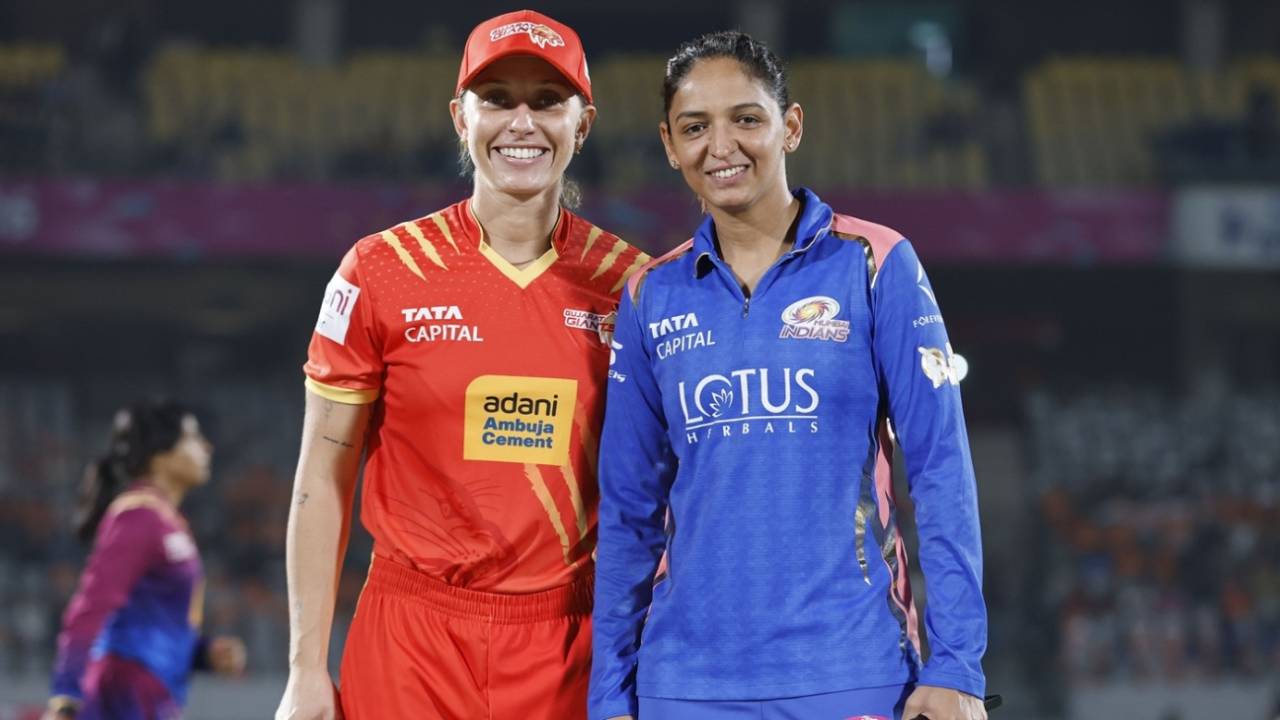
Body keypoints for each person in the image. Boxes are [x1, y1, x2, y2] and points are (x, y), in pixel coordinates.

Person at [590, 31, 987, 720]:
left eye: (746, 118)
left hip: (852, 672)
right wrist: (608, 695)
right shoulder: (648, 295)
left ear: (790, 126)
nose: (722, 146)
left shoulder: (875, 262)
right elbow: (627, 514)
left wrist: (958, 665)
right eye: (695, 127)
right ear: (668, 145)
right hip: (684, 688)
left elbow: (941, 471)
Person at [274, 9, 649, 720]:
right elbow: (321, 477)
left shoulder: (629, 285)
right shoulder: (378, 271)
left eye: (546, 101)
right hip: (410, 636)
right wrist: (304, 669)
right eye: (497, 98)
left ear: (584, 123)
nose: (522, 122)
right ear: (460, 116)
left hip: (569, 644)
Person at [44, 400, 246, 720]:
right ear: (160, 454)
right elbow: (92, 605)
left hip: (151, 691)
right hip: (124, 690)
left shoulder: (166, 521)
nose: (206, 447)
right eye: (193, 437)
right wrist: (66, 697)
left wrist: (204, 654)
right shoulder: (137, 517)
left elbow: (155, 620)